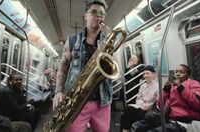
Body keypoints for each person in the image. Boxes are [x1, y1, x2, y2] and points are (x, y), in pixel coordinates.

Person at [52, 0, 112, 131]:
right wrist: (58, 91)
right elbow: (63, 67)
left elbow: (113, 69)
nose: (98, 16)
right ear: (85, 16)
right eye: (94, 12)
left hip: (103, 102)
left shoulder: (109, 42)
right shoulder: (72, 40)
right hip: (77, 102)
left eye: (102, 13)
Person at [132, 64, 200, 132]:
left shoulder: (194, 84)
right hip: (169, 119)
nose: (178, 74)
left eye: (181, 72)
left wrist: (181, 88)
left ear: (188, 75)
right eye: (176, 72)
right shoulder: (172, 86)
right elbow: (160, 106)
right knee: (137, 127)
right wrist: (165, 91)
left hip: (186, 122)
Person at [0, 48, 32, 132]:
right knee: (25, 126)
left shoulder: (17, 89)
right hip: (3, 116)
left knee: (32, 113)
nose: (19, 82)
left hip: (2, 116)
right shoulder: (6, 92)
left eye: (20, 80)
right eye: (16, 80)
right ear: (10, 81)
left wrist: (22, 93)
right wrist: (7, 122)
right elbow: (16, 109)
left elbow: (21, 101)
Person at [120, 65, 159, 132]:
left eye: (147, 73)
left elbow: (158, 102)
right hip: (141, 106)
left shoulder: (157, 86)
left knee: (134, 116)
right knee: (127, 111)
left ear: (153, 75)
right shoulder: (143, 85)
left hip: (151, 109)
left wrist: (148, 106)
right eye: (144, 74)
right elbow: (138, 98)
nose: (145, 75)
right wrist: (142, 104)